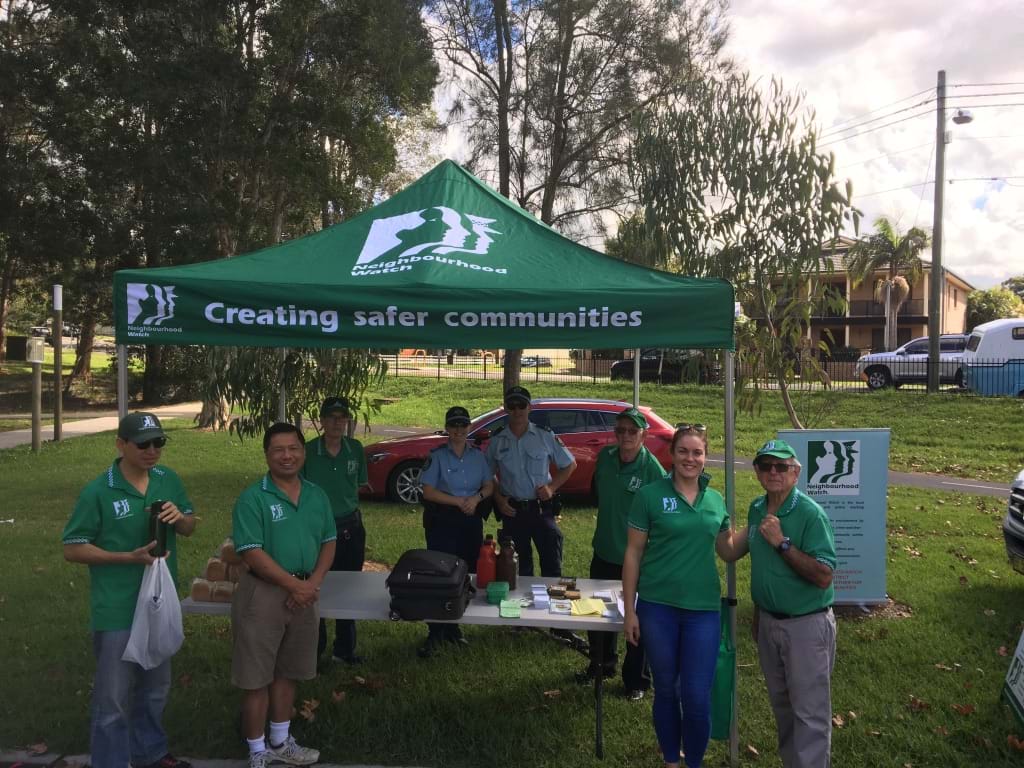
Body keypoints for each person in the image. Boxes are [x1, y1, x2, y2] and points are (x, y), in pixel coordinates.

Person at [62, 412, 196, 768]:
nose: (152, 451)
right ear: (120, 444)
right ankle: (110, 761)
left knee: (156, 688)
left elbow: (189, 527)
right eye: (143, 444)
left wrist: (180, 518)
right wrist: (126, 557)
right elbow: (72, 548)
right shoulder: (98, 491)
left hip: (159, 601)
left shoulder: (168, 479)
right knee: (114, 698)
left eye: (159, 443)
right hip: (118, 606)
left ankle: (150, 752)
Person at [622, 424, 745, 768]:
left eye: (697, 452)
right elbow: (633, 553)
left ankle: (693, 761)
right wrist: (630, 610)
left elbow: (727, 549)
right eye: (683, 451)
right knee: (665, 688)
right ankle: (670, 760)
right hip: (657, 607)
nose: (690, 459)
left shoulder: (715, 500)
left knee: (696, 696)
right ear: (672, 455)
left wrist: (758, 526)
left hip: (702, 611)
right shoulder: (650, 496)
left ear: (705, 457)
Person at [231, 423, 336, 768]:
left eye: (293, 448)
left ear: (303, 452)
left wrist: (311, 584)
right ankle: (257, 750)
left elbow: (328, 542)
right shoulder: (253, 498)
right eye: (278, 449)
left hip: (305, 593)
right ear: (267, 455)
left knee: (288, 671)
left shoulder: (317, 495)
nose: (287, 456)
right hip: (263, 594)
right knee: (256, 677)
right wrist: (294, 586)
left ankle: (279, 741)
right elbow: (251, 552)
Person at [746, 439, 837, 768]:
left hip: (806, 626)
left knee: (809, 714)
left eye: (781, 466)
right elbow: (760, 567)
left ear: (795, 473)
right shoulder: (757, 509)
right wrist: (760, 616)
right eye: (766, 465)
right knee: (783, 709)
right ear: (757, 472)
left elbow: (824, 575)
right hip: (769, 623)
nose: (773, 472)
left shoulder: (810, 514)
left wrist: (782, 544)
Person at [577, 406, 665, 700]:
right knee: (597, 613)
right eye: (620, 430)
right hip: (604, 550)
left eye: (632, 431)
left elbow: (661, 516)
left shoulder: (652, 469)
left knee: (635, 618)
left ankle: (636, 680)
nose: (625, 435)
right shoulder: (605, 457)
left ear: (644, 434)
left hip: (637, 559)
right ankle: (601, 665)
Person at [417, 405, 495, 658]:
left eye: (463, 425)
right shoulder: (437, 456)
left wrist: (476, 499)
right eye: (454, 425)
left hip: (470, 520)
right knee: (440, 575)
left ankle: (453, 626)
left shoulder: (478, 457)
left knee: (465, 574)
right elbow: (428, 491)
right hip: (443, 520)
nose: (459, 430)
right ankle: (435, 631)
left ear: (469, 427)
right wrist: (459, 501)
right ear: (447, 428)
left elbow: (489, 485)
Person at [300, 396, 369, 664]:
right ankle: (314, 652)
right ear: (322, 420)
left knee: (349, 588)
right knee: (316, 588)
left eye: (342, 418)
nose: (337, 423)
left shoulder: (355, 449)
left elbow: (359, 484)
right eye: (331, 417)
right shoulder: (308, 452)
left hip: (351, 527)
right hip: (317, 531)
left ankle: (344, 650)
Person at [485, 385, 576, 577]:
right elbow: (487, 474)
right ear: (505, 408)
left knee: (551, 566)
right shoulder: (497, 439)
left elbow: (569, 465)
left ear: (529, 407)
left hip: (541, 509)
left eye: (521, 405)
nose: (517, 410)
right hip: (512, 510)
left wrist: (551, 487)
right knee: (517, 568)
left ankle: (550, 596)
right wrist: (499, 499)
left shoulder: (544, 435)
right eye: (512, 405)